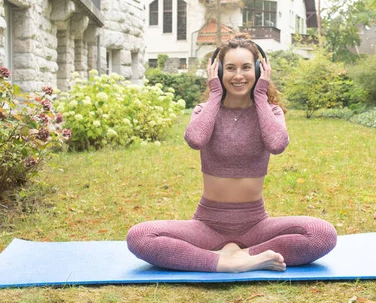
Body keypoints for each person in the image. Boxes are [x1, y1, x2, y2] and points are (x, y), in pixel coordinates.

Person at [126, 35, 337, 273]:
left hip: (256, 224)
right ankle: (223, 262)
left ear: (259, 70)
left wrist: (260, 96)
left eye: (246, 67)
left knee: (322, 234)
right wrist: (215, 95)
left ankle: (243, 256)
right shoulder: (204, 111)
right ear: (218, 73)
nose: (238, 75)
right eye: (230, 68)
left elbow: (277, 144)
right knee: (140, 236)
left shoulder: (271, 112)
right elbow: (195, 140)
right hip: (207, 223)